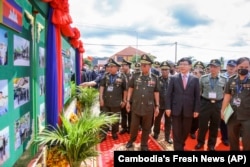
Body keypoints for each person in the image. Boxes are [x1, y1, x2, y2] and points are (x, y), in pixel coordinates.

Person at [125, 54, 160, 151]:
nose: (143, 66)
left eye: (146, 64)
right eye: (142, 64)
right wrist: (128, 101)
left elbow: (156, 92)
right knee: (133, 126)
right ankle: (131, 140)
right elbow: (130, 88)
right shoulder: (135, 76)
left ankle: (144, 145)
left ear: (150, 66)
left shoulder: (154, 78)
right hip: (136, 106)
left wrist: (157, 105)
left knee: (146, 127)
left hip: (148, 107)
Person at [165, 57, 200, 151]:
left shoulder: (195, 79)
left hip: (189, 109)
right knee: (176, 131)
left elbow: (197, 96)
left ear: (190, 66)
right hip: (176, 108)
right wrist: (168, 107)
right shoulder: (173, 78)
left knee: (186, 131)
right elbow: (168, 94)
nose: (182, 66)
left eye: (185, 64)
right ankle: (178, 148)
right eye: (181, 64)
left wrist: (196, 109)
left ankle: (181, 144)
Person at [195, 59, 227, 151]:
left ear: (219, 68)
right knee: (202, 125)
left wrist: (223, 108)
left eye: (215, 67)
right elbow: (199, 92)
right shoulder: (203, 78)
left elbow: (225, 94)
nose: (212, 68)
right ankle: (200, 142)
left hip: (218, 104)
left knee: (215, 126)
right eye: (211, 66)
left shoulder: (225, 79)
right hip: (205, 103)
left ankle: (211, 145)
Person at [221, 57, 250, 151]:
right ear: (237, 67)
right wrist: (223, 111)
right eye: (241, 66)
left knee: (247, 141)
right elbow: (227, 96)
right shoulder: (231, 80)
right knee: (233, 140)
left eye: (246, 66)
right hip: (232, 114)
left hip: (247, 116)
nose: (244, 68)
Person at [99, 58, 127, 141]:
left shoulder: (122, 76)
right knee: (104, 118)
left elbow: (125, 89)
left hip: (116, 102)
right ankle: (103, 134)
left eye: (112, 67)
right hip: (106, 101)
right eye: (109, 67)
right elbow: (101, 87)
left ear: (117, 68)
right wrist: (101, 98)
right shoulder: (106, 76)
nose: (110, 68)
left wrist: (124, 100)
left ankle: (114, 133)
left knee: (115, 119)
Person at [152, 61, 173, 144]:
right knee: (157, 120)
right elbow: (154, 92)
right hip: (159, 104)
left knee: (169, 121)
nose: (164, 71)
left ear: (169, 70)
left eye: (166, 70)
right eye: (163, 70)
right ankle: (156, 133)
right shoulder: (157, 79)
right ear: (160, 70)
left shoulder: (173, 80)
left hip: (169, 105)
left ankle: (167, 137)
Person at [219, 59, 237, 146]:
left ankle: (233, 137)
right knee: (224, 121)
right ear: (226, 67)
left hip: (235, 103)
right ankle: (225, 138)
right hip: (223, 101)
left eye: (233, 66)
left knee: (234, 121)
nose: (231, 68)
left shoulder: (239, 77)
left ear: (236, 67)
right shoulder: (221, 77)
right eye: (229, 66)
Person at [189, 61, 206, 139]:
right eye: (196, 69)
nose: (198, 70)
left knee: (197, 119)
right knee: (189, 117)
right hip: (190, 101)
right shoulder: (190, 78)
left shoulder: (205, 79)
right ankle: (187, 130)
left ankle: (193, 131)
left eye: (200, 69)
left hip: (201, 101)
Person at [120, 58, 132, 134]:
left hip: (131, 99)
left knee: (130, 114)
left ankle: (130, 128)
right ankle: (124, 127)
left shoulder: (133, 75)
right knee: (123, 113)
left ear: (128, 66)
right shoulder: (120, 75)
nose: (122, 67)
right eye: (122, 65)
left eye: (124, 65)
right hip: (122, 97)